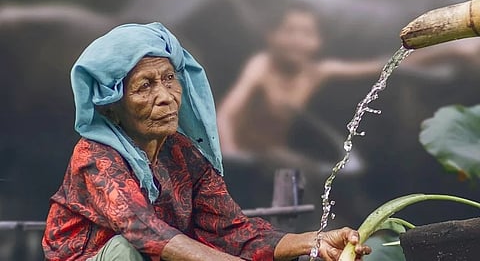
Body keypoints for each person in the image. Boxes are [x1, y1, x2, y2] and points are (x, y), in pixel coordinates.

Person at [41, 23, 370, 261]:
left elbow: (234, 233)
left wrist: (313, 241)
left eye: (169, 79)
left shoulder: (182, 154)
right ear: (112, 107)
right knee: (124, 250)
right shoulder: (94, 156)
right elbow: (145, 232)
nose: (166, 98)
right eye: (144, 86)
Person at [217, 1, 384, 171]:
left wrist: (410, 49)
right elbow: (225, 115)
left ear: (319, 41)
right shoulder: (261, 65)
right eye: (289, 31)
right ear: (271, 35)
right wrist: (232, 155)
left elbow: (376, 67)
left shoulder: (317, 72)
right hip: (242, 157)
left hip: (276, 158)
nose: (297, 41)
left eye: (307, 33)